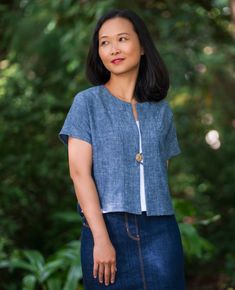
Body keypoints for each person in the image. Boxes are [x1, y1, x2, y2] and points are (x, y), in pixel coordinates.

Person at [59, 8, 186, 290]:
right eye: (104, 42)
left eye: (122, 39)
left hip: (161, 231)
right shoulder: (87, 103)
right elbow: (79, 174)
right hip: (107, 229)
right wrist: (101, 239)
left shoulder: (161, 111)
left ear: (142, 46)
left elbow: (160, 172)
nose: (113, 49)